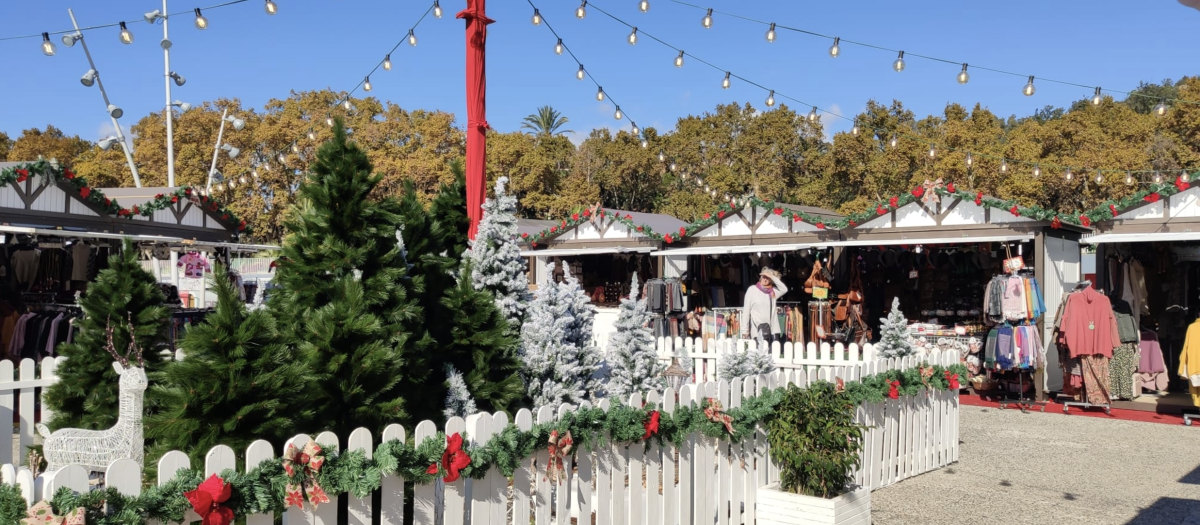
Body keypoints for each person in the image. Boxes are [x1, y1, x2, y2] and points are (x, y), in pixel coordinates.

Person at [741, 268, 788, 344]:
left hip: (773, 330)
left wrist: (772, 276)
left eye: (768, 278)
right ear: (760, 277)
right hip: (758, 331)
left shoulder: (773, 292)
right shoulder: (752, 290)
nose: (765, 279)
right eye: (763, 277)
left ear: (771, 280)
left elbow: (784, 289)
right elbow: (746, 311)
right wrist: (744, 330)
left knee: (774, 354)